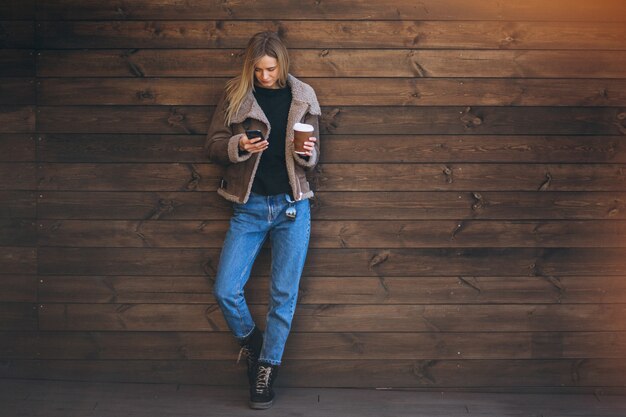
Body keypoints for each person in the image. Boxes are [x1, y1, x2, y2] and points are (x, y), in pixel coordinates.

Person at [204, 31, 321, 410]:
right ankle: (254, 344)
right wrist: (239, 146)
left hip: (293, 207)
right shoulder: (236, 96)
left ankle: (266, 370)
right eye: (257, 70)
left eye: (270, 69)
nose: (264, 77)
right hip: (249, 207)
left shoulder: (303, 96)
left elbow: (314, 157)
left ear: (281, 65)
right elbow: (212, 145)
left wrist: (306, 153)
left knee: (283, 297)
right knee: (225, 290)